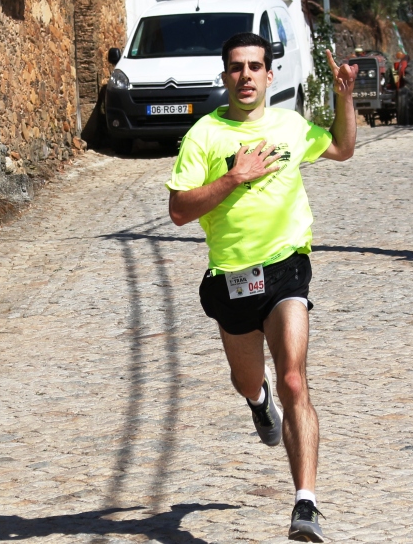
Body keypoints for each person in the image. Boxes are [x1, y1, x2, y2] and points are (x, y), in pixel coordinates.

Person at [166, 32, 358, 542]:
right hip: (231, 278)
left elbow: (341, 147)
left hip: (287, 265)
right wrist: (235, 177)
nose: (246, 75)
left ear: (270, 75)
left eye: (255, 66)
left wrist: (344, 96)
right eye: (236, 67)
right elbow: (180, 211)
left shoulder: (290, 125)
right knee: (249, 380)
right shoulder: (204, 136)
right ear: (225, 76)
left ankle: (306, 505)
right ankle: (257, 402)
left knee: (295, 378)